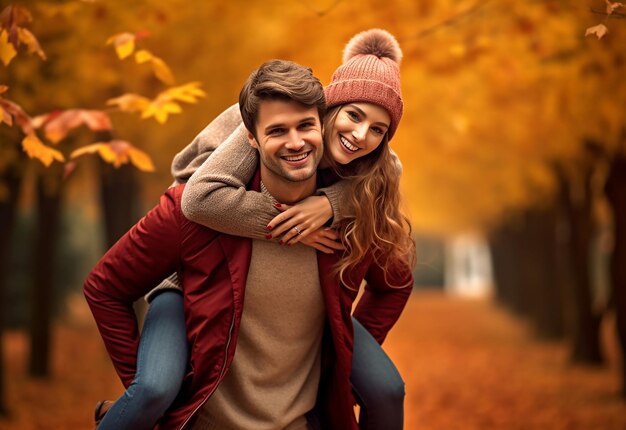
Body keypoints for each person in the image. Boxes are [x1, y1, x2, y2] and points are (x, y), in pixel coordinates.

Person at [92, 29, 414, 430]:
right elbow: (198, 200)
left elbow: (387, 177)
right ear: (328, 106)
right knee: (155, 387)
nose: (361, 134)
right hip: (197, 236)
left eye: (378, 129)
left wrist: (332, 203)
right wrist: (283, 222)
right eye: (353, 116)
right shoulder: (265, 124)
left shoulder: (368, 164)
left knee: (386, 389)